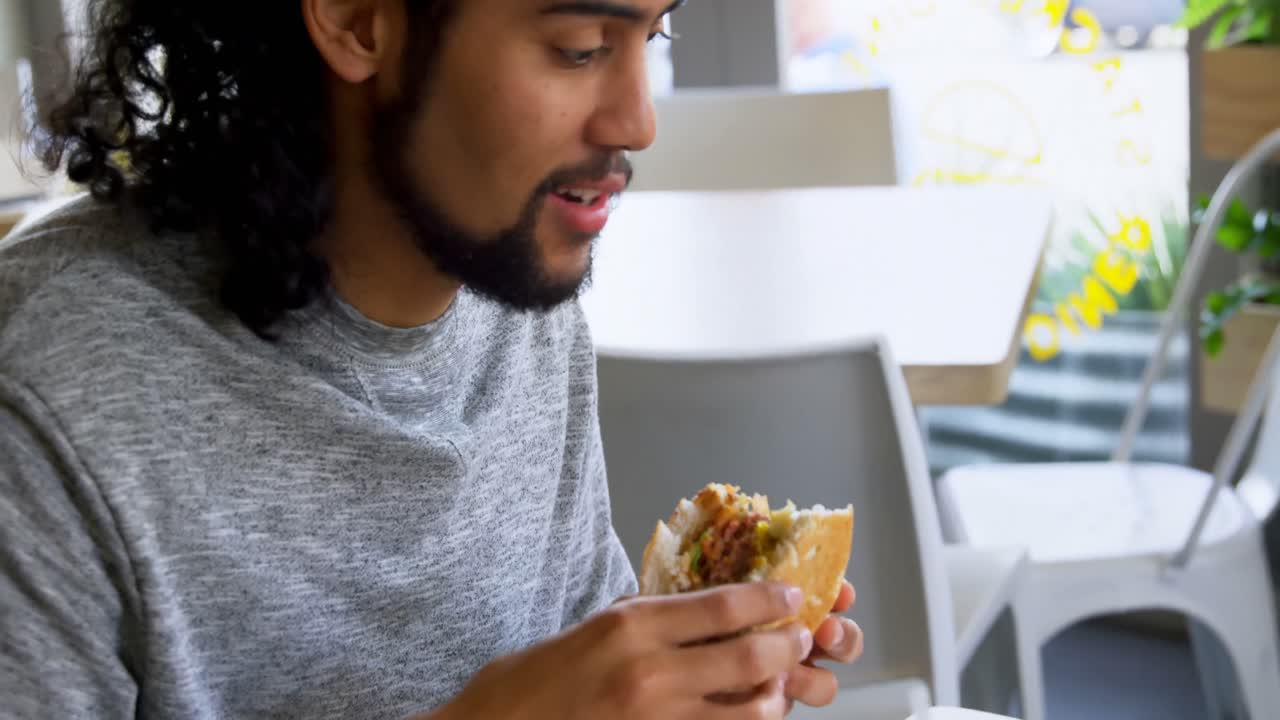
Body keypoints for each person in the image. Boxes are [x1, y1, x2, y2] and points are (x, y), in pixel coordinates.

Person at [0, 1, 865, 718]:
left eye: (654, 35)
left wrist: (668, 676)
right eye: (579, 49)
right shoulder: (46, 395)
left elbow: (565, 650)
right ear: (356, 19)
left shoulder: (507, 268)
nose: (637, 121)